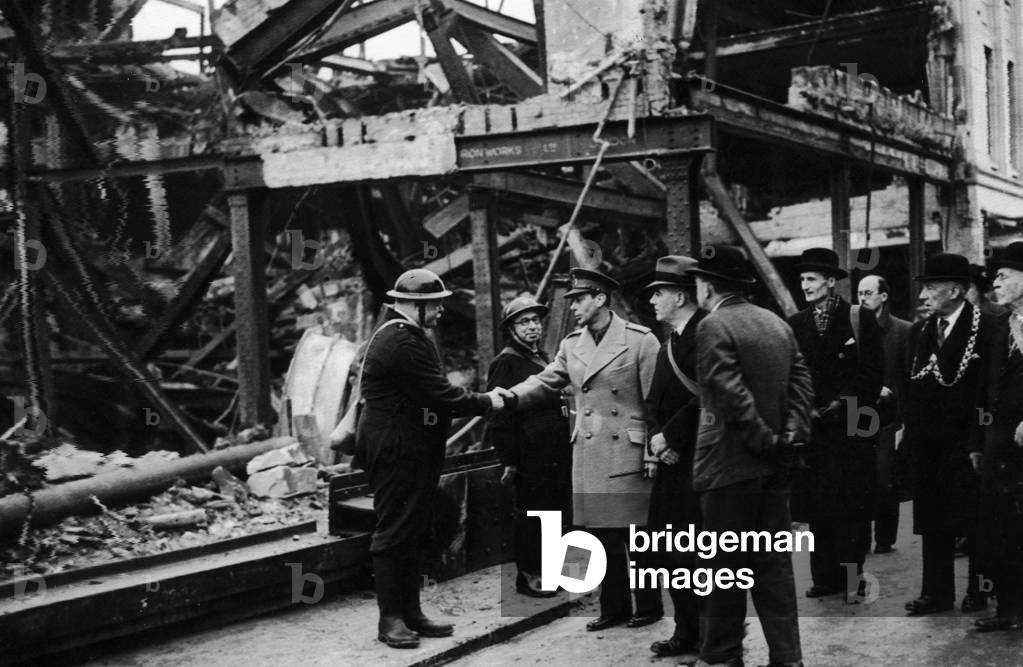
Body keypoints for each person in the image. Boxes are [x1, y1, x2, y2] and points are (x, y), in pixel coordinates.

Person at [354, 269, 511, 648]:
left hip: (409, 448)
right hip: (396, 450)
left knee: (411, 529)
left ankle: (411, 613)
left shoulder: (405, 335)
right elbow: (440, 393)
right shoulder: (401, 342)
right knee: (393, 532)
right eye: (435, 305)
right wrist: (487, 402)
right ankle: (390, 620)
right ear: (414, 305)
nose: (441, 311)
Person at [504, 267, 662, 631]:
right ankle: (614, 608)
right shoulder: (571, 344)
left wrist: (653, 452)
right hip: (590, 451)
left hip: (628, 451)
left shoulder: (641, 340)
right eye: (571, 301)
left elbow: (657, 402)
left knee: (637, 536)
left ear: (600, 299)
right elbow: (544, 381)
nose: (572, 307)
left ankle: (649, 605)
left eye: (579, 300)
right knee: (602, 534)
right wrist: (507, 397)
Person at [689, 245, 814, 667]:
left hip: (729, 467)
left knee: (723, 569)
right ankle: (788, 657)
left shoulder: (713, 324)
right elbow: (802, 384)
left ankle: (722, 656)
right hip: (775, 467)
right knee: (773, 567)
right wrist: (789, 438)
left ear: (707, 286)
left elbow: (730, 393)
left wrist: (765, 441)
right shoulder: (776, 323)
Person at [902, 253, 994, 615]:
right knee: (932, 519)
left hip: (966, 443)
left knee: (975, 521)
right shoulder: (920, 332)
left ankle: (979, 590)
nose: (922, 295)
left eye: (930, 287)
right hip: (928, 444)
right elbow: (913, 388)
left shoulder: (987, 329)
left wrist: (978, 442)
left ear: (955, 290)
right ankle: (936, 593)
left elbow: (987, 393)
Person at [788, 248, 883, 600]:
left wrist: (839, 404)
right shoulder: (795, 323)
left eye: (811, 279)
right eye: (802, 279)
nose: (805, 285)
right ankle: (824, 577)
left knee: (851, 504)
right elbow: (792, 374)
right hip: (814, 429)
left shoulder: (859, 318)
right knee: (818, 505)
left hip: (851, 426)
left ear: (831, 281)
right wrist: (805, 409)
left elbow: (872, 372)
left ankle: (852, 578)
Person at [486, 296, 571, 598]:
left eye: (535, 320)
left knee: (554, 511)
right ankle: (529, 576)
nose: (533, 326)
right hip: (528, 453)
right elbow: (498, 415)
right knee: (533, 515)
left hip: (553, 450)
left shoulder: (543, 357)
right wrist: (508, 459)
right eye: (524, 322)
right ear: (511, 329)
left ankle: (551, 572)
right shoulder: (506, 362)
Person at [643, 256, 706, 659]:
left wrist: (671, 438)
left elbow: (710, 396)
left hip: (699, 461)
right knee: (670, 551)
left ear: (680, 297)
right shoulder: (670, 343)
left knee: (699, 555)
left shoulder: (706, 335)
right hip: (671, 462)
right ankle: (686, 630)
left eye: (659, 293)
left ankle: (708, 633)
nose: (652, 301)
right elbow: (653, 401)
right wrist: (656, 438)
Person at [973, 241, 1023, 631]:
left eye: (1004, 276)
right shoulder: (1000, 326)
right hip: (1000, 444)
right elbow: (984, 388)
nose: (995, 283)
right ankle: (1009, 609)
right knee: (1003, 526)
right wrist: (978, 443)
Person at [856, 274, 911, 554]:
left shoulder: (903, 331)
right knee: (859, 475)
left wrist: (902, 415)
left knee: (885, 477)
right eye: (859, 293)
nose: (862, 298)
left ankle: (885, 538)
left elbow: (908, 377)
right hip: (859, 413)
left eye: (868, 293)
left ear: (884, 296)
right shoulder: (854, 329)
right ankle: (860, 538)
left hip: (890, 415)